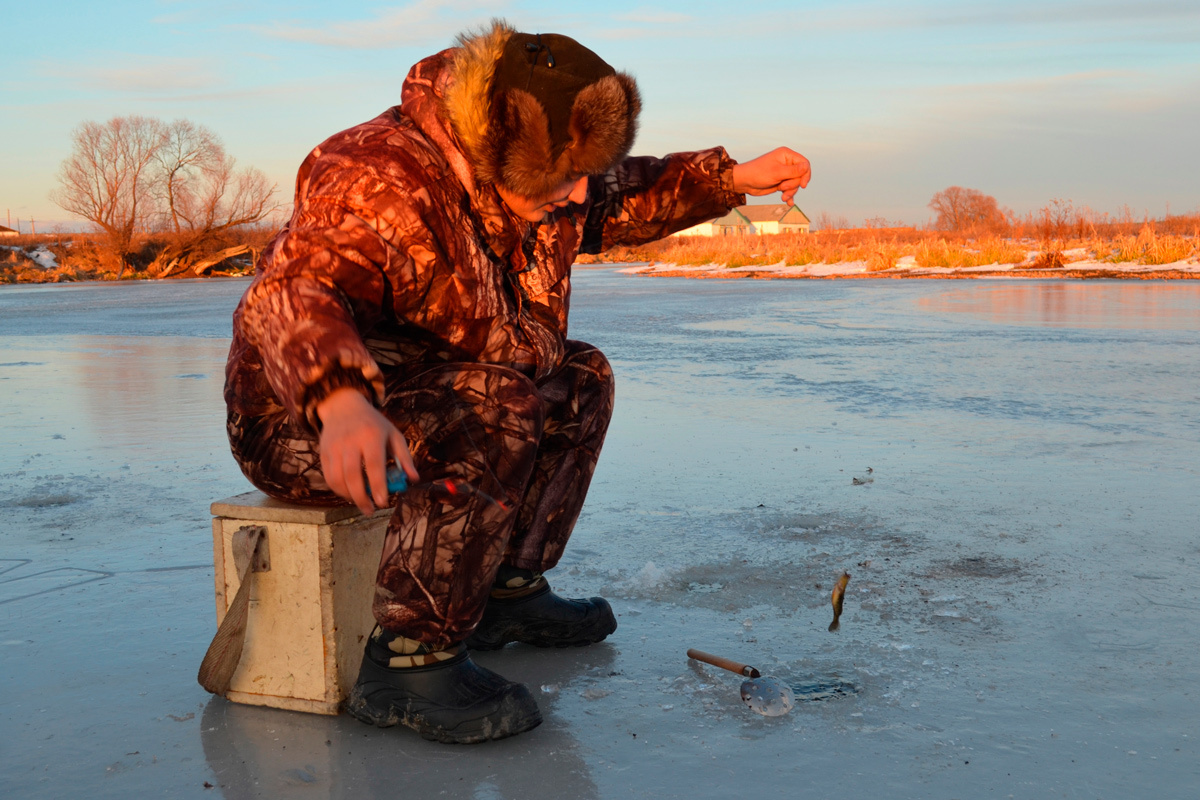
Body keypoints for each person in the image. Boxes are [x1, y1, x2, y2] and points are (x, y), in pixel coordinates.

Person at [224, 19, 810, 744]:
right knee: (494, 406)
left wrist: (731, 178)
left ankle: (506, 589)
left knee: (579, 380)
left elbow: (624, 193)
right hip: (301, 417)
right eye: (568, 175)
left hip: (434, 387)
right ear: (502, 151)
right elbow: (290, 292)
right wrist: (338, 399)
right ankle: (408, 660)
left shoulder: (541, 182)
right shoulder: (376, 178)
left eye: (585, 170)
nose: (581, 192)